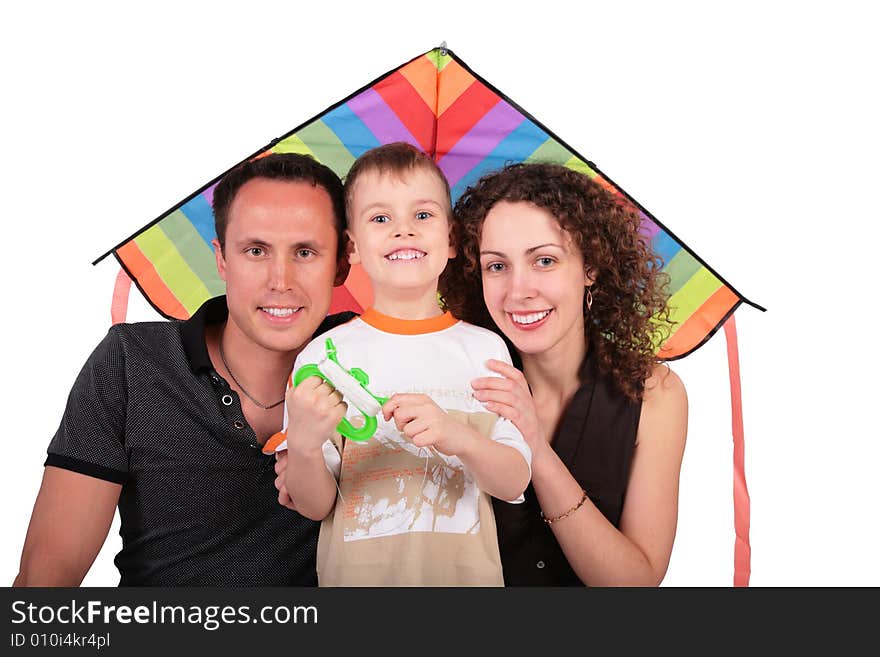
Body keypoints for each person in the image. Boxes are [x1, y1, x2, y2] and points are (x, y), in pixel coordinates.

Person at [13, 153, 353, 586]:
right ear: (222, 260)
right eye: (255, 251)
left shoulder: (376, 361)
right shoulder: (132, 363)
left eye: (305, 251)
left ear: (342, 261)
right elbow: (47, 575)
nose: (280, 279)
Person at [276, 142, 531, 586]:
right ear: (352, 247)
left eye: (423, 215)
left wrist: (457, 436)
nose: (403, 231)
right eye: (380, 219)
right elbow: (315, 506)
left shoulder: (485, 350)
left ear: (451, 240)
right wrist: (301, 444)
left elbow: (514, 481)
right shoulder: (322, 359)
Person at [440, 162, 688, 586]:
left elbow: (635, 582)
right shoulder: (453, 378)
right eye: (496, 266)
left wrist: (535, 445)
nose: (519, 291)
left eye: (545, 260)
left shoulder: (654, 393)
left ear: (589, 267)